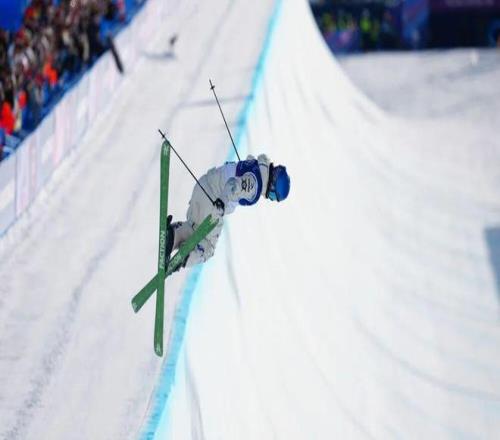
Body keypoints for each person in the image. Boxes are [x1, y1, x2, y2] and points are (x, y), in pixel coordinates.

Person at [166, 153, 290, 270]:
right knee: (209, 246)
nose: (269, 198)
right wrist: (221, 203)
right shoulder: (255, 186)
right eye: (273, 196)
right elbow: (233, 185)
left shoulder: (257, 165)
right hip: (213, 200)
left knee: (193, 227)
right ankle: (183, 259)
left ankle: (172, 236)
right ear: (273, 186)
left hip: (202, 186)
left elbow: (243, 170)